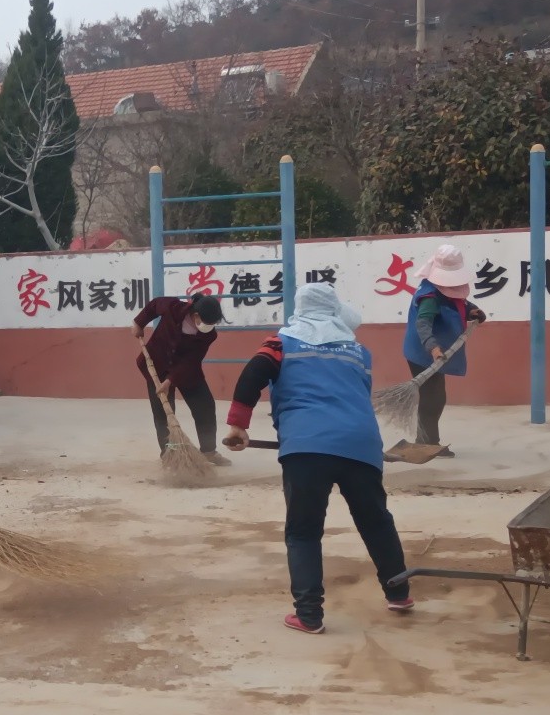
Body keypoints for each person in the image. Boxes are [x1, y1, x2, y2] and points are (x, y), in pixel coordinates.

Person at [223, 282, 412, 633]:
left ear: (299, 308)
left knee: (304, 531)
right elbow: (354, 394)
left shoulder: (280, 343)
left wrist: (238, 425)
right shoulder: (358, 351)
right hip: (361, 444)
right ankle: (399, 593)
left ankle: (309, 615)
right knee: (376, 521)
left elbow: (252, 375)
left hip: (306, 447)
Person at [400, 244, 486, 451]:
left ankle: (426, 441)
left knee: (435, 395)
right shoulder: (429, 296)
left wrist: (472, 311)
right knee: (433, 396)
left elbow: (457, 303)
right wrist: (433, 348)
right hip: (422, 352)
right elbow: (423, 323)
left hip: (433, 352)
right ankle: (427, 443)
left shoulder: (442, 290)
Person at [133, 291, 227, 462]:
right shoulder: (173, 307)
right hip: (157, 366)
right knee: (163, 414)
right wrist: (139, 323)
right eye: (208, 322)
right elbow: (154, 305)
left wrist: (171, 380)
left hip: (187, 371)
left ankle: (209, 451)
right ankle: (170, 454)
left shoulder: (209, 335)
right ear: (196, 315)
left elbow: (191, 360)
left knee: (205, 406)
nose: (210, 327)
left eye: (213, 324)